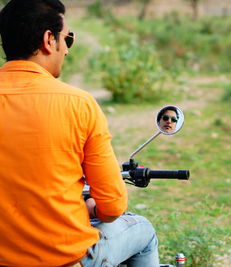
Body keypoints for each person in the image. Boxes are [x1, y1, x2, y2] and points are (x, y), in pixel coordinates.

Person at [0, 1, 159, 266]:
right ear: (49, 40)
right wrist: (91, 207)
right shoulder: (78, 104)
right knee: (142, 231)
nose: (67, 51)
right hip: (64, 258)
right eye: (68, 39)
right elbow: (112, 206)